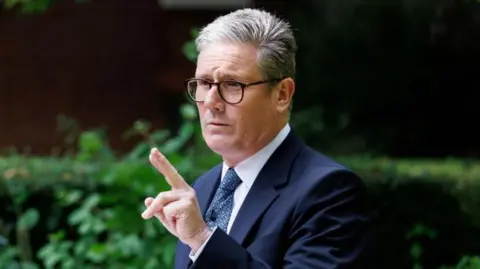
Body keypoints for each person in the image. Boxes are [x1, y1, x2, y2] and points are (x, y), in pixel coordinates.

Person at [141, 8, 372, 269]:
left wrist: (203, 240)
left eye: (232, 85)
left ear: (282, 94)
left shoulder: (328, 191)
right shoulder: (203, 188)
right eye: (205, 83)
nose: (212, 102)